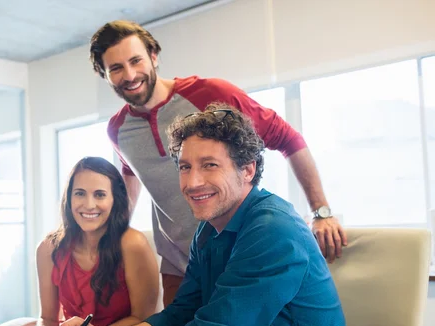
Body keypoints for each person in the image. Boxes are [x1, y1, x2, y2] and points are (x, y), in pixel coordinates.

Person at [55, 104, 349, 326]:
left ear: (247, 170)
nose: (192, 182)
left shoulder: (273, 229)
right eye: (184, 167)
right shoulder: (208, 230)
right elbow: (178, 316)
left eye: (209, 165)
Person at [89, 20, 347, 306]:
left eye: (136, 60)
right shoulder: (117, 130)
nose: (130, 74)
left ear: (153, 56)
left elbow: (287, 138)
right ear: (105, 74)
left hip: (237, 252)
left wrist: (321, 211)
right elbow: (132, 173)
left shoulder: (212, 94)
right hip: (177, 266)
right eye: (116, 68)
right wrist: (113, 235)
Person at [36, 157, 159, 326]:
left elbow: (144, 318)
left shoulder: (132, 244)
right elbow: (47, 320)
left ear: (114, 200)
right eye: (80, 194)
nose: (89, 204)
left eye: (100, 195)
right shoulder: (48, 248)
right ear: (69, 198)